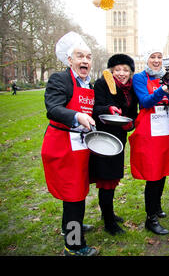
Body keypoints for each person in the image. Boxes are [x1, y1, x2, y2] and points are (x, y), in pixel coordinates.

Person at [41, 31, 98, 256]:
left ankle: (71, 226)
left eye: (88, 56)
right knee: (74, 195)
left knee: (76, 193)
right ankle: (73, 245)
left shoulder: (88, 84)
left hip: (81, 147)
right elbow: (53, 108)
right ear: (69, 60)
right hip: (63, 146)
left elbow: (91, 110)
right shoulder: (60, 79)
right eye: (80, 56)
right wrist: (77, 117)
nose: (85, 60)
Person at [89, 54, 138, 235]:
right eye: (117, 69)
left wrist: (130, 123)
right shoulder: (102, 84)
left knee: (113, 178)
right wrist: (108, 109)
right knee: (106, 180)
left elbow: (133, 113)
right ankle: (109, 221)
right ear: (111, 70)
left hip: (120, 137)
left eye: (125, 69)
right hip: (103, 137)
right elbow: (94, 108)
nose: (121, 73)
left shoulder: (131, 88)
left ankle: (107, 213)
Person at [129, 48, 169, 235]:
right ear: (146, 59)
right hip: (149, 130)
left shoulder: (168, 77)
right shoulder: (140, 78)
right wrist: (162, 89)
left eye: (159, 57)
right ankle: (151, 218)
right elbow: (146, 101)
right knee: (153, 173)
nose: (156, 61)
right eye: (152, 57)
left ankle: (156, 206)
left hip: (165, 128)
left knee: (163, 169)